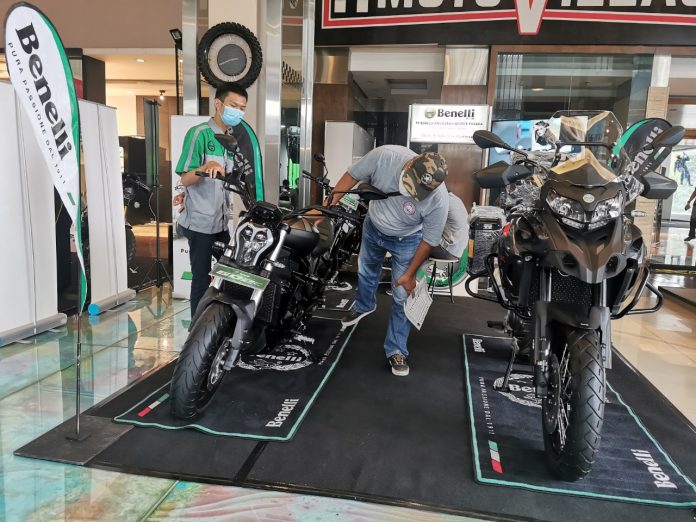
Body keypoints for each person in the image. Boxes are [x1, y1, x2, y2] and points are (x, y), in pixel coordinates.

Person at [333, 146, 449, 377]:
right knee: (366, 270)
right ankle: (364, 305)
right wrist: (327, 207)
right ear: (409, 164)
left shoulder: (438, 200)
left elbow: (428, 241)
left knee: (402, 295)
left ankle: (396, 350)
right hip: (373, 226)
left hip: (408, 239)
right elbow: (351, 177)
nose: (412, 194)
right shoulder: (385, 157)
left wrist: (410, 274)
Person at [174, 82, 254, 316]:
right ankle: (196, 329)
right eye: (233, 105)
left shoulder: (230, 138)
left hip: (220, 222)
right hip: (200, 223)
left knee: (231, 275)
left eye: (242, 108)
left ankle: (219, 323)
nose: (237, 111)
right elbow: (185, 178)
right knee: (200, 279)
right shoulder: (199, 133)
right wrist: (204, 166)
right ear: (218, 104)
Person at [429, 192, 469, 261]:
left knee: (416, 238)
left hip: (448, 252)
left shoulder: (441, 201)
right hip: (459, 252)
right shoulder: (455, 199)